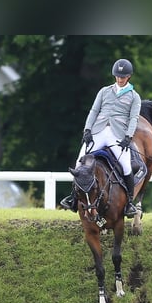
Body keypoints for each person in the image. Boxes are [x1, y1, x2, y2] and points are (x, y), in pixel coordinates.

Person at [60, 58, 141, 217]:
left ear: (129, 77)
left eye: (123, 77)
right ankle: (73, 197)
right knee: (79, 162)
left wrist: (128, 136)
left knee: (125, 165)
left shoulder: (134, 96)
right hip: (98, 131)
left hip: (117, 135)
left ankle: (130, 203)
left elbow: (133, 119)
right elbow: (94, 111)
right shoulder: (104, 91)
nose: (120, 79)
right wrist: (87, 130)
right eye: (117, 76)